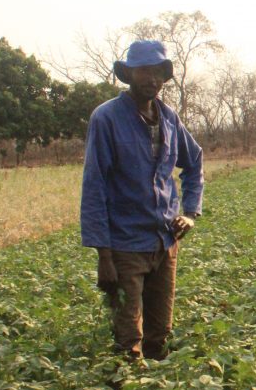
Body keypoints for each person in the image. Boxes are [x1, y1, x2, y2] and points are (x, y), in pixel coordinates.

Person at [81, 40, 204, 360]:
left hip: (164, 242)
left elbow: (194, 161)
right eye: (145, 71)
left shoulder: (169, 118)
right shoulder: (106, 118)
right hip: (124, 246)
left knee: (159, 334)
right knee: (128, 339)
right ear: (129, 75)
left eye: (159, 72)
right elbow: (94, 185)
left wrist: (190, 212)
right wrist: (103, 255)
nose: (153, 78)